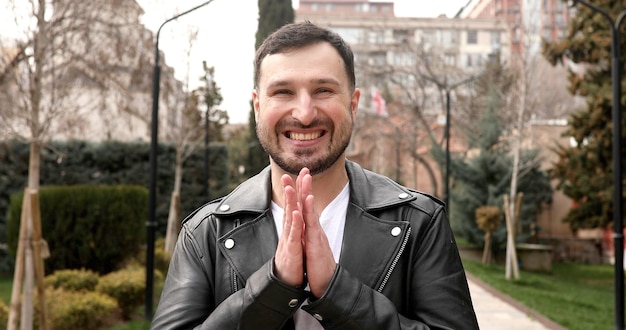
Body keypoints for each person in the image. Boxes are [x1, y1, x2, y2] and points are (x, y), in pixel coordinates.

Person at [151, 21, 479, 330]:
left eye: (323, 90)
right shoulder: (205, 232)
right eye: (282, 92)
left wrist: (337, 293)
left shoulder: (420, 222)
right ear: (257, 107)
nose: (305, 113)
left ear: (353, 105)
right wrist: (273, 286)